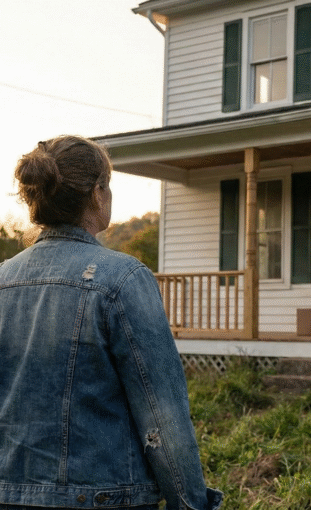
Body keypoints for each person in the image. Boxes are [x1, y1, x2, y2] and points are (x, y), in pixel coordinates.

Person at [0, 136, 222, 510]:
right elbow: (162, 415)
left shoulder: (3, 278)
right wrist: (192, 504)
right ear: (98, 193)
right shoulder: (122, 278)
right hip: (105, 498)